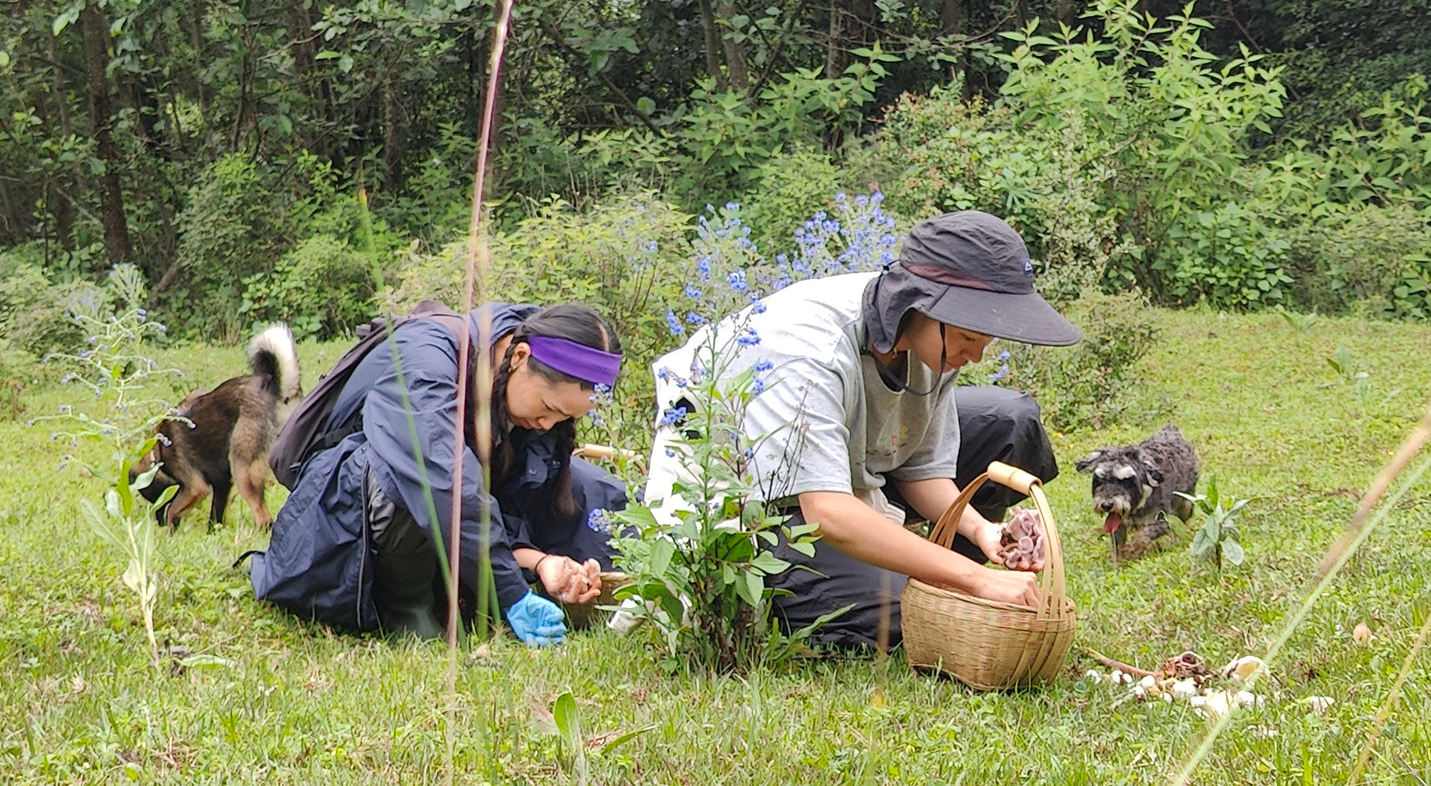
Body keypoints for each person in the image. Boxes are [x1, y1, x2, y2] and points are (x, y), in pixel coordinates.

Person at [638, 210, 1079, 650]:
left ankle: (929, 566)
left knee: (1008, 421)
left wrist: (981, 531)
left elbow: (922, 470)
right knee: (902, 614)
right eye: (969, 338)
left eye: (986, 341)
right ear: (921, 303)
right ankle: (902, 579)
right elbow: (827, 512)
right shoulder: (808, 351)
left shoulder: (932, 341)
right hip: (754, 505)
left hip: (846, 470)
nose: (977, 356)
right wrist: (976, 580)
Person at [249, 301, 626, 646]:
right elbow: (445, 479)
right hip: (339, 508)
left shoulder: (518, 386)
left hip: (445, 504)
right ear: (521, 357)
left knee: (594, 488)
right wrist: (511, 591)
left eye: (564, 418)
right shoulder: (425, 357)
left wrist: (543, 562)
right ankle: (408, 606)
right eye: (549, 407)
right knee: (414, 466)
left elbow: (507, 489)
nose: (547, 424)